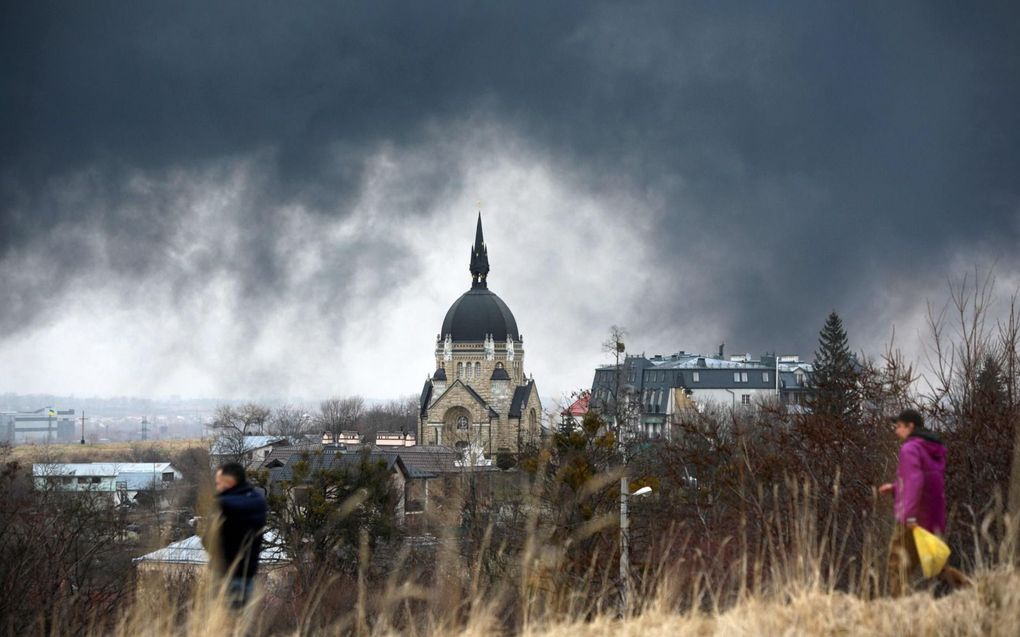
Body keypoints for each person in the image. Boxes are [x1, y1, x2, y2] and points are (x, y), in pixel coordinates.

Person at [879, 409, 968, 596]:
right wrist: (895, 488)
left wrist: (910, 515)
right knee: (937, 566)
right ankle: (972, 589)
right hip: (933, 517)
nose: (896, 431)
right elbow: (924, 481)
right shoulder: (930, 449)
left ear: (910, 426)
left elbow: (915, 481)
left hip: (914, 519)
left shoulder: (909, 448)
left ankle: (899, 612)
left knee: (896, 565)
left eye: (899, 426)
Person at [208, 462, 267, 609]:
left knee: (222, 626)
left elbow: (208, 541)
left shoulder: (223, 505)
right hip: (248, 576)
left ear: (229, 482)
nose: (217, 487)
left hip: (225, 575)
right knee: (240, 626)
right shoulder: (258, 501)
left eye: (218, 483)